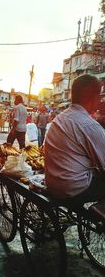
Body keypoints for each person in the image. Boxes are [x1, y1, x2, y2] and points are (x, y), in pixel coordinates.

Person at [44, 74, 105, 204]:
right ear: (95, 98)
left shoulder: (60, 118)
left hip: (53, 184)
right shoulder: (90, 125)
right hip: (73, 190)